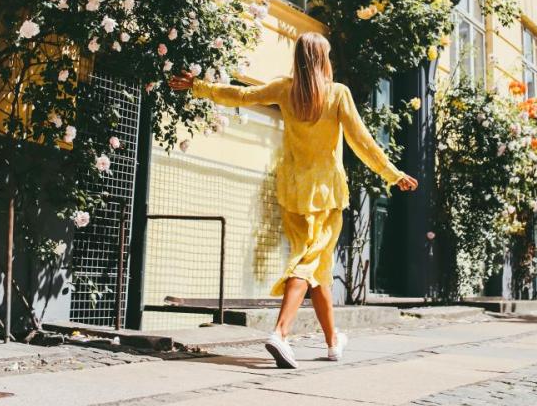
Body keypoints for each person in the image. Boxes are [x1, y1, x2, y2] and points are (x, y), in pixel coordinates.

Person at [169, 32, 418, 368]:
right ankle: (280, 333)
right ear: (323, 60)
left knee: (317, 268)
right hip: (326, 194)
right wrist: (393, 173)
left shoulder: (284, 89)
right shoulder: (337, 94)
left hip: (292, 191)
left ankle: (333, 341)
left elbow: (241, 95)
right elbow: (364, 142)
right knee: (306, 264)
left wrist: (198, 87)